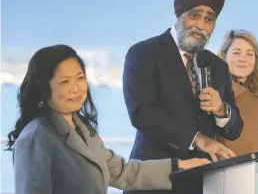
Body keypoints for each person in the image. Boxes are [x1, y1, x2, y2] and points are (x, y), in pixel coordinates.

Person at [5, 44, 210, 194]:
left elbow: (121, 172)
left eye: (80, 78)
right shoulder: (35, 139)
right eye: (64, 82)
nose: (75, 89)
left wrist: (179, 167)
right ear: (43, 88)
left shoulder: (83, 129)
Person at [123, 0, 244, 194]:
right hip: (156, 180)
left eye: (209, 19)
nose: (201, 25)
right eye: (194, 16)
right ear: (179, 15)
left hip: (202, 183)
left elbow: (235, 129)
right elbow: (142, 114)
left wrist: (221, 110)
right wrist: (199, 140)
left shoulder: (217, 66)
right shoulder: (144, 53)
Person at [216, 29, 258, 155]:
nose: (243, 59)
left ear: (256, 60)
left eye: (249, 54)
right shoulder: (213, 92)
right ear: (224, 56)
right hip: (224, 171)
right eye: (236, 53)